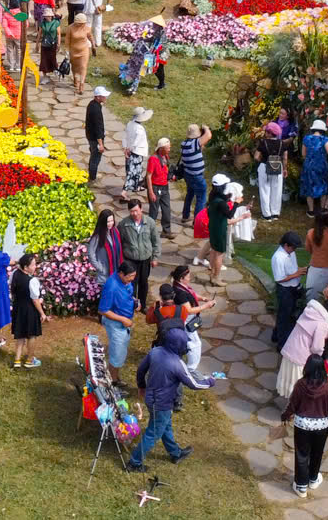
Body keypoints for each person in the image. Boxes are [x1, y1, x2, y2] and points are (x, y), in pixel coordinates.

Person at [124, 325, 212, 472]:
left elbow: (141, 370)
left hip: (151, 399)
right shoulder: (178, 364)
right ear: (178, 345)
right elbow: (194, 384)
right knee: (152, 434)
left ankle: (175, 454)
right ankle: (134, 463)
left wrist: (141, 386)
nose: (185, 347)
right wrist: (210, 381)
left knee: (165, 426)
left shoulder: (155, 352)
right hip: (162, 404)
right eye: (184, 344)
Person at [286, 357, 328, 497]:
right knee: (317, 453)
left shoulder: (300, 384)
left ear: (307, 367)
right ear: (322, 369)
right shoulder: (326, 387)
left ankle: (301, 487)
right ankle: (313, 480)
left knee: (302, 455)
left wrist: (285, 416)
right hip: (321, 427)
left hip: (302, 426)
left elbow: (292, 404)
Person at [277, 296, 328, 401]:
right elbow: (316, 347)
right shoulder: (322, 323)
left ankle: (290, 407)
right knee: (299, 385)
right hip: (300, 357)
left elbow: (310, 330)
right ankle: (295, 410)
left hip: (290, 349)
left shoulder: (310, 313)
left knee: (289, 381)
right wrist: (320, 354)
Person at [118, 196, 160, 306]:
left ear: (141, 209)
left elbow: (156, 241)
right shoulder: (123, 225)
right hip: (131, 260)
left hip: (145, 259)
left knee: (143, 283)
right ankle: (132, 304)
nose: (134, 214)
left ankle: (143, 305)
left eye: (136, 210)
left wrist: (155, 257)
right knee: (132, 283)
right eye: (132, 211)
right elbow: (119, 243)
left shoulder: (150, 222)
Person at [99, 262, 139, 371]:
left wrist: (134, 302)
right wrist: (123, 319)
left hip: (124, 322)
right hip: (116, 324)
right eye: (130, 277)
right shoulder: (111, 287)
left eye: (134, 276)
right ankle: (113, 381)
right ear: (121, 273)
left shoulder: (126, 281)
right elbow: (103, 310)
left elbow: (128, 293)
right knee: (117, 353)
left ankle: (114, 378)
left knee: (121, 351)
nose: (132, 279)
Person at [9, 252, 46, 369]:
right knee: (31, 335)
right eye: (33, 265)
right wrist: (42, 313)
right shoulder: (32, 281)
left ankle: (17, 360)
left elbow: (12, 288)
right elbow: (35, 300)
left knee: (20, 335)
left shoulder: (14, 274)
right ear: (26, 267)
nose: (35, 267)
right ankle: (30, 360)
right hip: (29, 310)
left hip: (18, 308)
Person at [269, 232, 306, 349]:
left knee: (285, 315)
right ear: (286, 245)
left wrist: (300, 270)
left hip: (293, 288)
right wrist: (297, 274)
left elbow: (292, 269)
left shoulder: (291, 253)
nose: (294, 250)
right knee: (285, 318)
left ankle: (276, 336)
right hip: (285, 291)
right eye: (293, 247)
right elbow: (279, 279)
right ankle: (282, 345)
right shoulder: (278, 257)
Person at [175, 124, 211, 224]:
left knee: (190, 194)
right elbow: (208, 136)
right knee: (201, 198)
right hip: (197, 176)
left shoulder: (184, 144)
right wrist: (205, 128)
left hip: (188, 174)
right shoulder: (194, 143)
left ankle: (185, 216)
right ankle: (197, 222)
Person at [304, 212, 328, 300]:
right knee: (326, 295)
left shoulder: (310, 233)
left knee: (311, 294)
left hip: (314, 267)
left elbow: (308, 249)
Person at [255, 123, 288, 219]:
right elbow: (285, 158)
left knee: (264, 190)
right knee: (277, 190)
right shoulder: (282, 143)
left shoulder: (263, 143)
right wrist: (285, 169)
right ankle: (275, 213)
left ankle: (266, 214)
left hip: (265, 166)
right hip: (278, 167)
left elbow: (256, 156)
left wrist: (261, 161)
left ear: (270, 133)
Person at [300, 119, 328, 214]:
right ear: (322, 130)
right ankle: (322, 209)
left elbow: (303, 154)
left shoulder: (306, 139)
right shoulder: (325, 140)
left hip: (309, 165)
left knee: (309, 185)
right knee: (323, 186)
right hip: (321, 166)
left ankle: (311, 211)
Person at [204, 174, 231, 285]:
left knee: (213, 251)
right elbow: (229, 215)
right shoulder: (221, 203)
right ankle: (216, 277)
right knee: (219, 254)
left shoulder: (212, 195)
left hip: (213, 227)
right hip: (220, 229)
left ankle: (212, 274)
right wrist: (237, 203)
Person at [123, 107, 153, 196]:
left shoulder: (129, 124)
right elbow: (136, 142)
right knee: (133, 171)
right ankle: (124, 191)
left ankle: (136, 186)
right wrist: (130, 149)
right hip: (137, 152)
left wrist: (125, 148)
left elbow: (125, 137)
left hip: (129, 150)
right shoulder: (139, 129)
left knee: (136, 170)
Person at [147, 141, 174, 237]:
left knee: (166, 210)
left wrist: (170, 177)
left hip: (164, 187)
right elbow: (149, 176)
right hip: (155, 188)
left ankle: (166, 231)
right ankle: (149, 232)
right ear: (161, 148)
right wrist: (151, 192)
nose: (169, 149)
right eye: (168, 148)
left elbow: (164, 170)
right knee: (153, 211)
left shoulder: (165, 156)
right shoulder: (153, 159)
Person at [84, 88, 109, 184]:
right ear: (98, 97)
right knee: (95, 157)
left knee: (93, 154)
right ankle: (92, 178)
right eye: (103, 95)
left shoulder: (92, 104)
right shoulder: (96, 110)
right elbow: (98, 128)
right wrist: (101, 144)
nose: (105, 97)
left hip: (90, 135)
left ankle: (92, 174)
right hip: (95, 138)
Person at [89, 207, 122, 277]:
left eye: (112, 221)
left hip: (116, 270)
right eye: (108, 222)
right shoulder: (97, 237)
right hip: (105, 274)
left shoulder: (115, 232)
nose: (110, 223)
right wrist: (100, 268)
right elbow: (91, 254)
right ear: (103, 221)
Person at [37, 6, 61, 78]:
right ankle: (44, 75)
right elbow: (39, 33)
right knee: (44, 59)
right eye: (46, 16)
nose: (47, 17)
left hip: (53, 43)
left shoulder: (56, 23)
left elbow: (58, 34)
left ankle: (55, 70)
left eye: (48, 16)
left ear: (51, 16)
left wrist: (59, 44)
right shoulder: (42, 23)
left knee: (53, 58)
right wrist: (37, 43)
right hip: (44, 43)